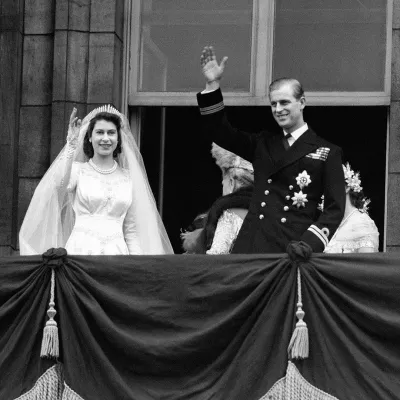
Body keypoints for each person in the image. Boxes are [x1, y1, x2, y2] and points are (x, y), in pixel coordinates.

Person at [197, 46, 345, 254]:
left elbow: (334, 209)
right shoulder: (263, 144)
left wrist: (308, 245)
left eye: (284, 102)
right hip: (251, 247)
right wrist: (212, 85)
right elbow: (220, 133)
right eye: (273, 104)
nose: (278, 109)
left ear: (302, 102)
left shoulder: (327, 151)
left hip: (292, 250)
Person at [19, 105, 174, 256]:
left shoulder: (128, 178)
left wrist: (134, 264)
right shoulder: (78, 171)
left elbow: (131, 230)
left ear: (118, 139)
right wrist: (71, 145)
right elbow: (59, 186)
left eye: (111, 133)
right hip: (80, 252)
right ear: (90, 137)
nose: (105, 138)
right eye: (100, 132)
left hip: (116, 255)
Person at [181, 143, 254, 254]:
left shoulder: (230, 215)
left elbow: (217, 257)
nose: (222, 184)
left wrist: (198, 241)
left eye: (223, 181)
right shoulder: (268, 209)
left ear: (231, 182)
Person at [324, 163, 379, 253]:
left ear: (346, 188)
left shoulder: (362, 223)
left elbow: (367, 261)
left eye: (332, 185)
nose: (327, 191)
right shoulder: (327, 222)